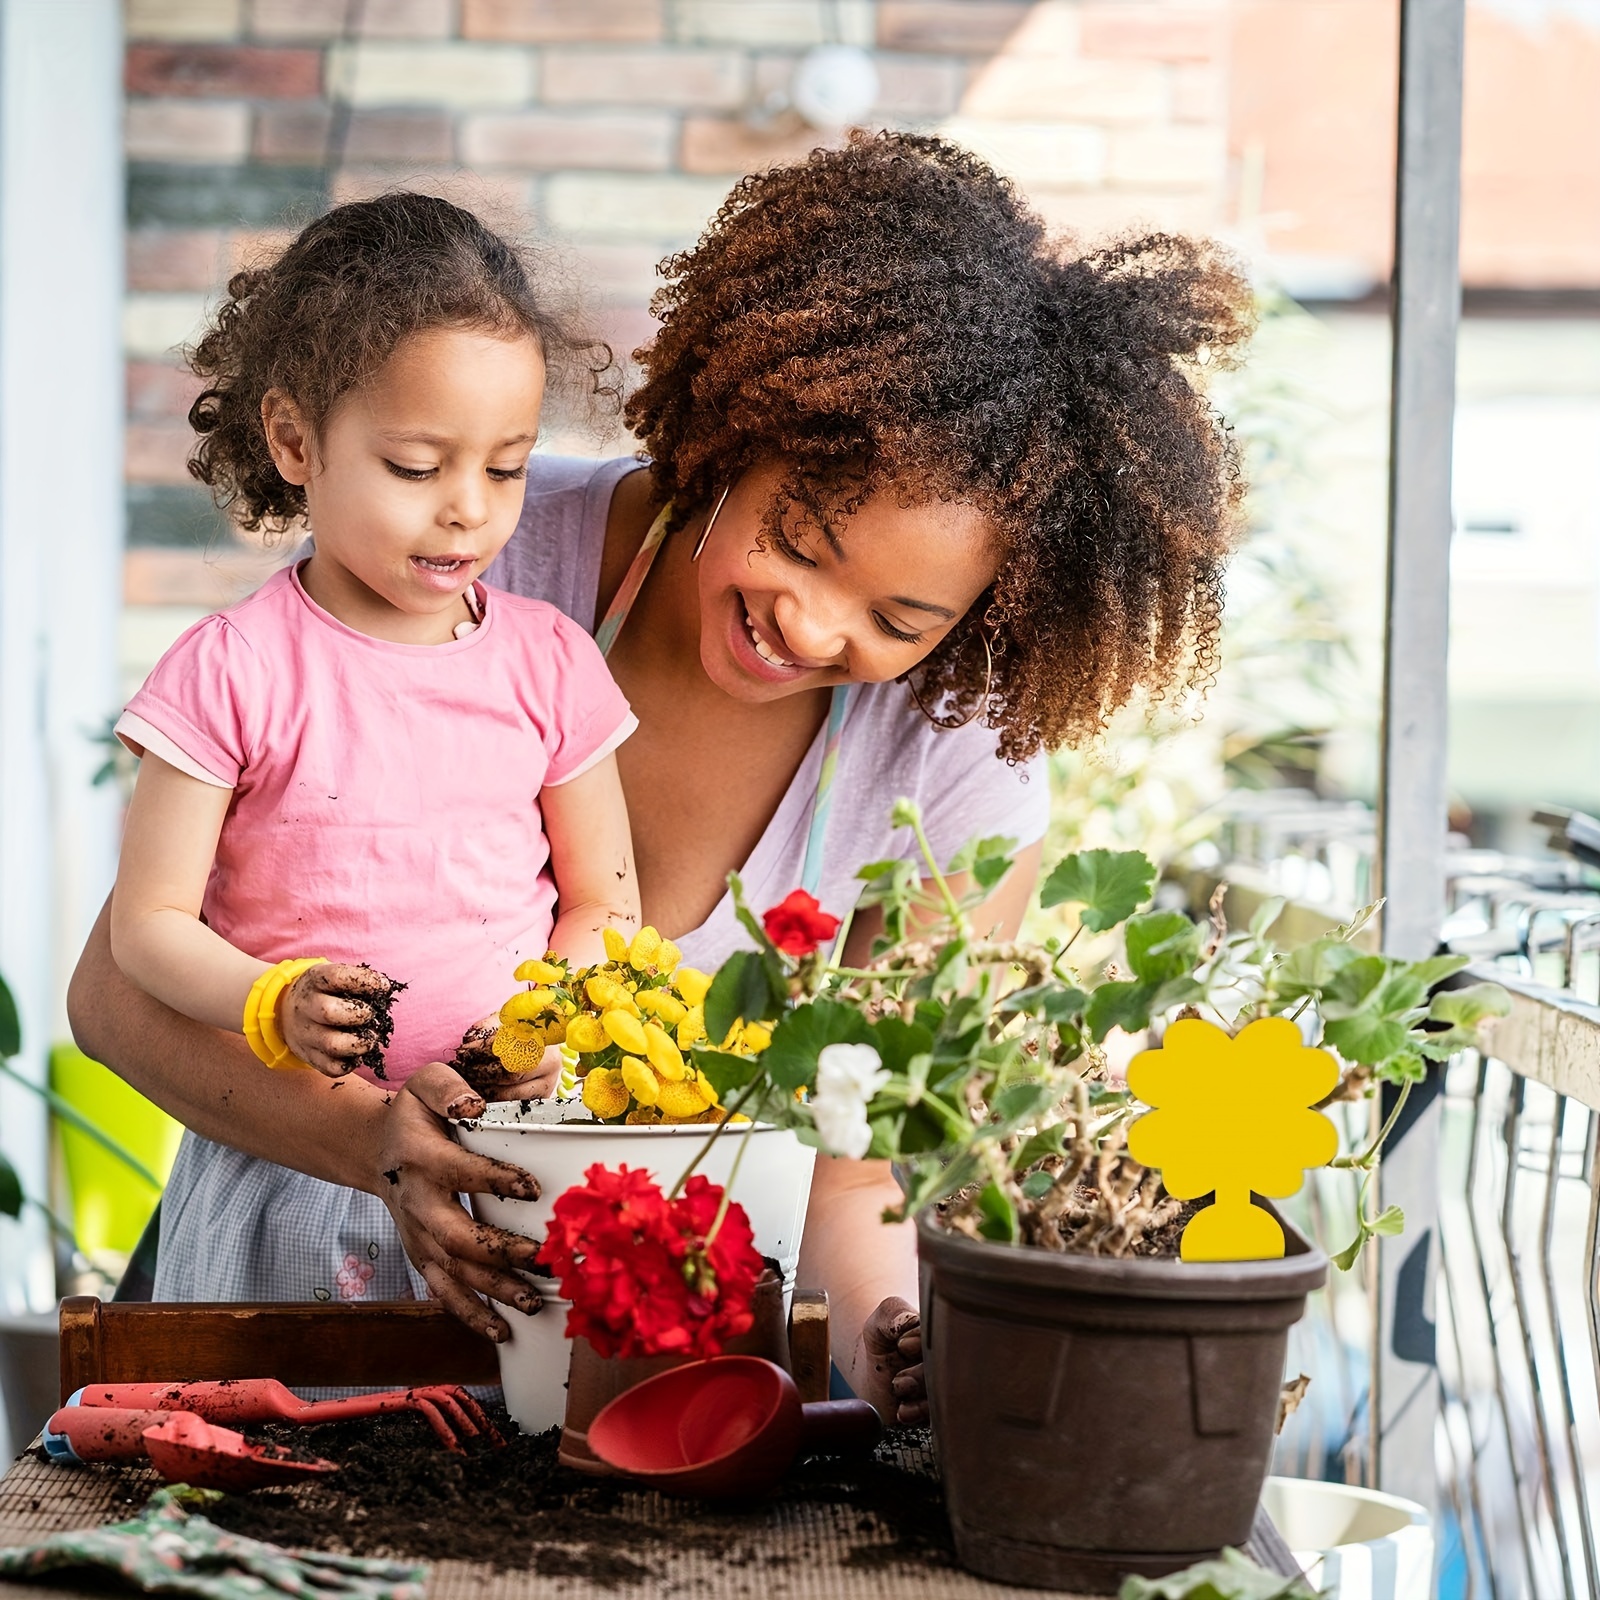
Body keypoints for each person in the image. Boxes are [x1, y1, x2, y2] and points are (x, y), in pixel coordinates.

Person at [70, 133, 1251, 1425]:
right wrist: (373, 1147)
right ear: (741, 425)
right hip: (295, 1293)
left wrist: (890, 1338)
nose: (809, 626)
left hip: (643, 1368)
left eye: (899, 619)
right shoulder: (477, 557)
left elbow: (861, 1184)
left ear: (981, 617)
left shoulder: (954, 774)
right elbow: (118, 994)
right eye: (795, 539)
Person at [102, 191, 640, 1305]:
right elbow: (145, 930)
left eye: (505, 468)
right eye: (415, 466)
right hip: (291, 1167)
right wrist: (267, 1001)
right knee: (290, 1464)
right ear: (295, 441)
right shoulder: (229, 670)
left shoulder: (550, 662)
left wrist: (553, 1021)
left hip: (505, 1161)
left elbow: (605, 905)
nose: (467, 513)